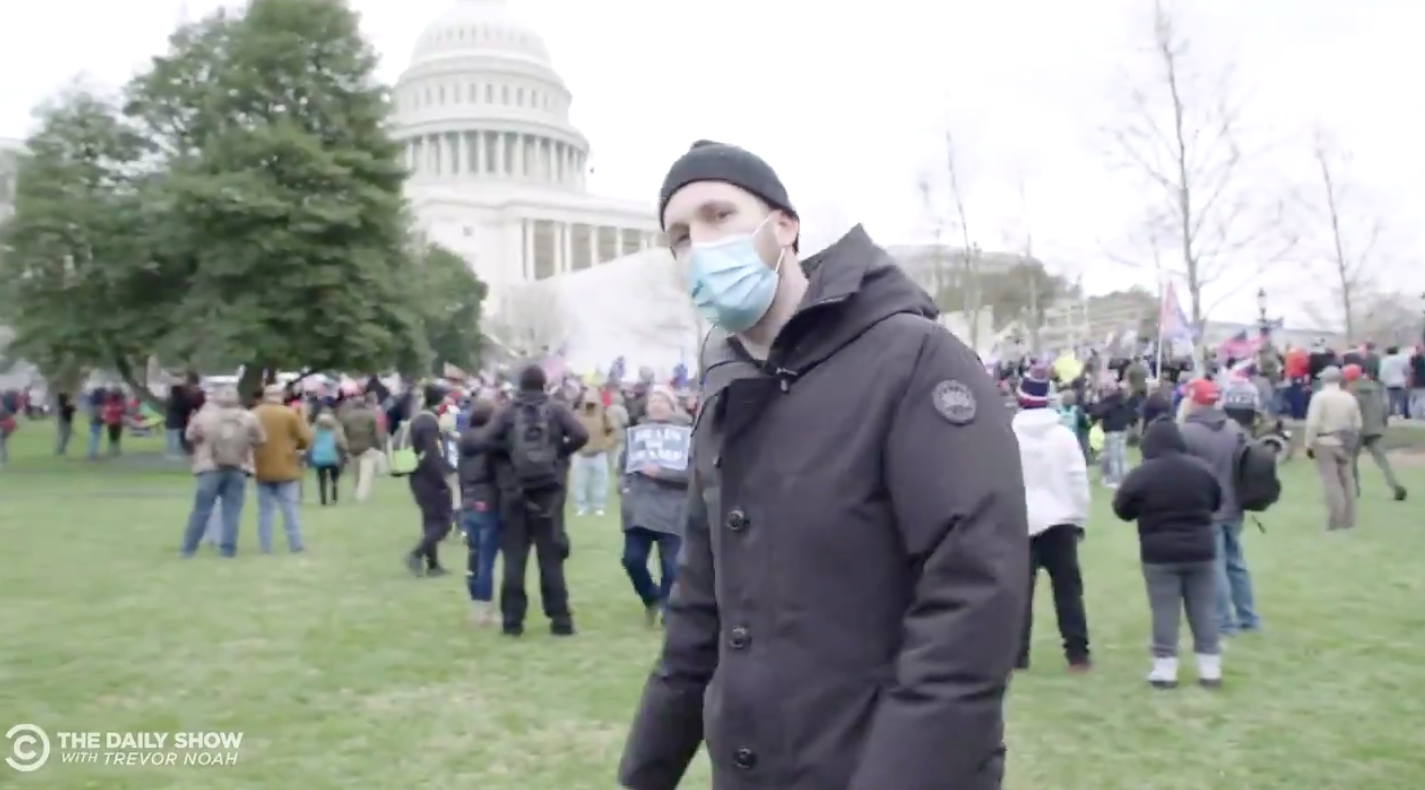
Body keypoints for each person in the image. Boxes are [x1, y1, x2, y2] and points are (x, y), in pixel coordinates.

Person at [619, 141, 1027, 790]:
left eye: (718, 215)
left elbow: (971, 604)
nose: (698, 245)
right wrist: (642, 774)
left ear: (783, 225)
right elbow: (697, 619)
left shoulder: (912, 360)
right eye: (678, 236)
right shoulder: (723, 398)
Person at [1111, 418, 1223, 689]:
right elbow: (1216, 501)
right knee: (1204, 609)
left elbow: (1122, 508)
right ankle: (1209, 668)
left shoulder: (1142, 474)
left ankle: (1165, 668)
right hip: (1201, 549)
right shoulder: (1201, 470)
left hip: (1159, 552)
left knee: (1164, 610)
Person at [484, 364, 588, 635]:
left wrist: (507, 455)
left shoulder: (507, 411)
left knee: (514, 560)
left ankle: (512, 621)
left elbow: (486, 441)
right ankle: (560, 619)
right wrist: (559, 454)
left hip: (515, 492)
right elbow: (581, 435)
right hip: (549, 491)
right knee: (550, 559)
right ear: (544, 384)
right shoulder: (556, 409)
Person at [1011, 369, 1092, 672]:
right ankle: (1077, 654)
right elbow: (1077, 480)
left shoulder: (1009, 435)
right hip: (1061, 522)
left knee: (1020, 596)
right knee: (1069, 593)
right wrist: (1079, 517)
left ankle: (1017, 656)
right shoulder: (1063, 436)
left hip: (1022, 523)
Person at [1178, 378, 1260, 638]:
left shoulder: (1187, 433)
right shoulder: (1234, 428)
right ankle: (1248, 617)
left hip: (1206, 508)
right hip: (1234, 505)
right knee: (1236, 563)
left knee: (1215, 565)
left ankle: (1224, 623)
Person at [618, 385, 690, 625]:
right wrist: (624, 485)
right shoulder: (637, 433)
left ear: (672, 406)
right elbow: (623, 467)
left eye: (662, 400)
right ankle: (651, 597)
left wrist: (662, 473)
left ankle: (668, 615)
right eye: (653, 401)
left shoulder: (687, 435)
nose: (656, 405)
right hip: (639, 508)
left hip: (673, 508)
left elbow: (695, 473)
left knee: (672, 567)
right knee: (632, 559)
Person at [180, 386, 266, 557]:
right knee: (231, 511)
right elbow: (262, 439)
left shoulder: (204, 417)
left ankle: (188, 549)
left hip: (208, 467)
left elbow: (189, 436)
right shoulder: (249, 417)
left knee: (201, 510)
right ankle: (227, 549)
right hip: (238, 467)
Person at [251, 384, 313, 554]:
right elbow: (306, 437)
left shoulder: (254, 414)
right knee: (290, 509)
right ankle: (295, 543)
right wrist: (297, 446)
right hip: (286, 466)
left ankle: (265, 545)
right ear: (281, 396)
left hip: (261, 466)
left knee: (265, 510)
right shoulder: (289, 414)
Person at [404, 383, 457, 576]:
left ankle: (433, 565)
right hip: (428, 477)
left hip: (419, 476)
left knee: (431, 522)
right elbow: (431, 454)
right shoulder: (428, 422)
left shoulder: (420, 417)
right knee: (444, 522)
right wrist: (441, 479)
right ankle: (416, 554)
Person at [457, 399, 501, 625]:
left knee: (473, 556)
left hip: (469, 499)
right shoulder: (492, 443)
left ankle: (476, 604)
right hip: (488, 500)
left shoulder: (464, 442)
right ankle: (484, 610)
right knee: (486, 560)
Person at [1304, 365, 1364, 530]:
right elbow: (1358, 424)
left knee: (1331, 483)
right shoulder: (1349, 397)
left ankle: (1335, 521)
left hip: (1325, 442)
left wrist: (1308, 443)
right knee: (1347, 481)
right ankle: (1349, 520)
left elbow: (1313, 423)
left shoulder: (1320, 397)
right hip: (1345, 442)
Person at [1342, 363, 1407, 502]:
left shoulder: (1349, 392)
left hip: (1356, 430)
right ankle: (1395, 485)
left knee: (1351, 461)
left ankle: (1355, 490)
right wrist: (1383, 423)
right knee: (1383, 461)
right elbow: (1385, 407)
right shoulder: (1375, 388)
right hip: (1375, 428)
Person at [570, 385, 618, 516]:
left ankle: (599, 506)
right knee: (579, 481)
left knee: (600, 481)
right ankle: (581, 506)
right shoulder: (576, 415)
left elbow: (612, 431)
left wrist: (605, 445)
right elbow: (570, 432)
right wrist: (574, 446)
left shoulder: (603, 413)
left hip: (599, 453)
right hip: (580, 453)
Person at [339, 392, 386, 503]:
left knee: (357, 472)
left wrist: (346, 445)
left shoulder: (348, 417)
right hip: (367, 446)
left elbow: (345, 433)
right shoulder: (370, 416)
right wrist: (379, 446)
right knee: (366, 473)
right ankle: (361, 496)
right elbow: (375, 433)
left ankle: (356, 490)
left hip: (353, 448)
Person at [309, 408, 349, 506]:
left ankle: (323, 499)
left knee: (321, 479)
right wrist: (345, 450)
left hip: (319, 457)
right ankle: (334, 498)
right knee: (334, 479)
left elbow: (310, 443)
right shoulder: (336, 430)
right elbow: (342, 442)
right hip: (333, 457)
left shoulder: (314, 430)